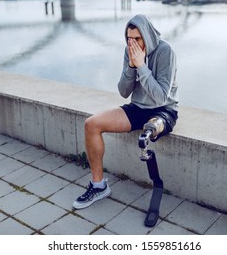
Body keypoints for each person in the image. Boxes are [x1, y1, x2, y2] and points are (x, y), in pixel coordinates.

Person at [73, 14, 178, 209]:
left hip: (164, 109)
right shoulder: (129, 51)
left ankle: (151, 130)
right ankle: (98, 186)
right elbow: (123, 92)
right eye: (129, 39)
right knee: (91, 124)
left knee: (153, 125)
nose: (133, 44)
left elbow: (161, 97)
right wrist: (131, 65)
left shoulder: (165, 51)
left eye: (137, 39)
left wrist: (142, 66)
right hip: (137, 108)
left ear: (146, 35)